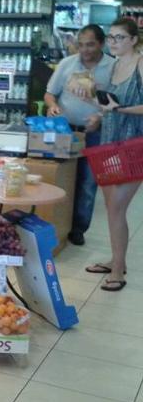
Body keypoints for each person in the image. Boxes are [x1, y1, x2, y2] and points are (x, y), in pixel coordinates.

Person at [82, 18, 143, 291]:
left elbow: (123, 107)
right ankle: (116, 260)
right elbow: (109, 105)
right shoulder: (115, 66)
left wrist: (119, 110)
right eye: (111, 37)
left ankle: (118, 271)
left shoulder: (140, 64)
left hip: (134, 146)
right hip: (109, 142)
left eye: (119, 37)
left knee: (117, 207)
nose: (113, 42)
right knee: (111, 208)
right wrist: (96, 109)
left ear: (133, 40)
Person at [44, 24, 115, 246]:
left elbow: (118, 103)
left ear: (101, 44)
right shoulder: (67, 64)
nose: (85, 50)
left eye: (90, 45)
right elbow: (49, 94)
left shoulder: (113, 68)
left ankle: (78, 228)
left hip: (96, 134)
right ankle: (59, 224)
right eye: (81, 45)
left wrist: (100, 117)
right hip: (65, 131)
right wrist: (52, 106)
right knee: (61, 178)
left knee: (88, 182)